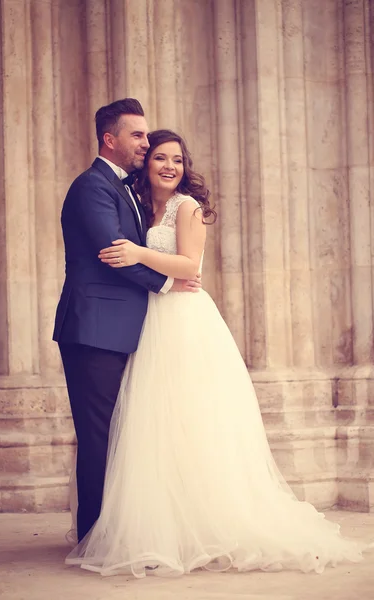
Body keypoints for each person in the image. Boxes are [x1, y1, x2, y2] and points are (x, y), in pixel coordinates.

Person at [66, 129, 370, 577]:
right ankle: (163, 524)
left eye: (178, 160)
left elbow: (192, 266)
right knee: (156, 426)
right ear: (146, 166)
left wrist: (136, 253)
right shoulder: (143, 207)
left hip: (185, 319)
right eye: (160, 159)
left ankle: (207, 524)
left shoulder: (188, 207)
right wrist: (140, 253)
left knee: (194, 420)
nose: (170, 166)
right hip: (153, 319)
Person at [53, 101, 200, 544]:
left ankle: (110, 531)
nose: (145, 142)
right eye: (138, 136)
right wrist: (165, 285)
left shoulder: (128, 192)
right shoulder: (92, 187)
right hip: (94, 328)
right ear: (109, 140)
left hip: (122, 329)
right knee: (99, 436)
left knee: (119, 434)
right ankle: (94, 537)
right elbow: (113, 254)